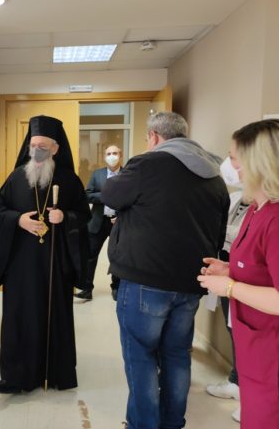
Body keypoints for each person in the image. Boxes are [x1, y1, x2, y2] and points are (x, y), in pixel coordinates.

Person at [102, 111, 229, 429]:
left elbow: (110, 195)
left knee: (141, 356)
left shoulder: (148, 163)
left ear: (155, 137)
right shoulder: (214, 174)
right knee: (177, 355)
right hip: (190, 282)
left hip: (145, 280)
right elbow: (218, 230)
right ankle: (172, 423)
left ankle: (143, 424)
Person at [0, 115, 91, 393]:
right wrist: (18, 220)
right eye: (33, 146)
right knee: (19, 316)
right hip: (21, 265)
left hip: (55, 264)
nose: (36, 151)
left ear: (55, 148)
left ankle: (56, 373)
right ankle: (15, 377)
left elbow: (84, 215)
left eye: (43, 147)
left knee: (53, 315)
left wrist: (65, 217)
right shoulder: (16, 177)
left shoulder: (69, 180)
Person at [197, 119, 279, 429]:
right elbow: (260, 268)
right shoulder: (256, 208)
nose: (230, 166)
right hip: (253, 348)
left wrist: (230, 287)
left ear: (258, 162)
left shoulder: (276, 218)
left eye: (234, 158)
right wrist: (229, 269)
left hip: (271, 349)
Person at [205, 156, 248, 423]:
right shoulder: (237, 198)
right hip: (230, 271)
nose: (229, 165)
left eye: (234, 157)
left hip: (247, 283)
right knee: (234, 329)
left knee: (251, 337)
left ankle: (251, 395)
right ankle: (237, 381)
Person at [75, 144, 123, 301]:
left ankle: (116, 288)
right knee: (90, 256)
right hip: (97, 221)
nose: (112, 156)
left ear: (120, 155)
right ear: (104, 156)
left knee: (117, 257)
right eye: (108, 153)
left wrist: (120, 216)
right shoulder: (97, 174)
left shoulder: (127, 174)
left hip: (118, 222)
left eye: (115, 153)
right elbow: (87, 195)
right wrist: (106, 195)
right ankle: (86, 289)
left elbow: (132, 198)